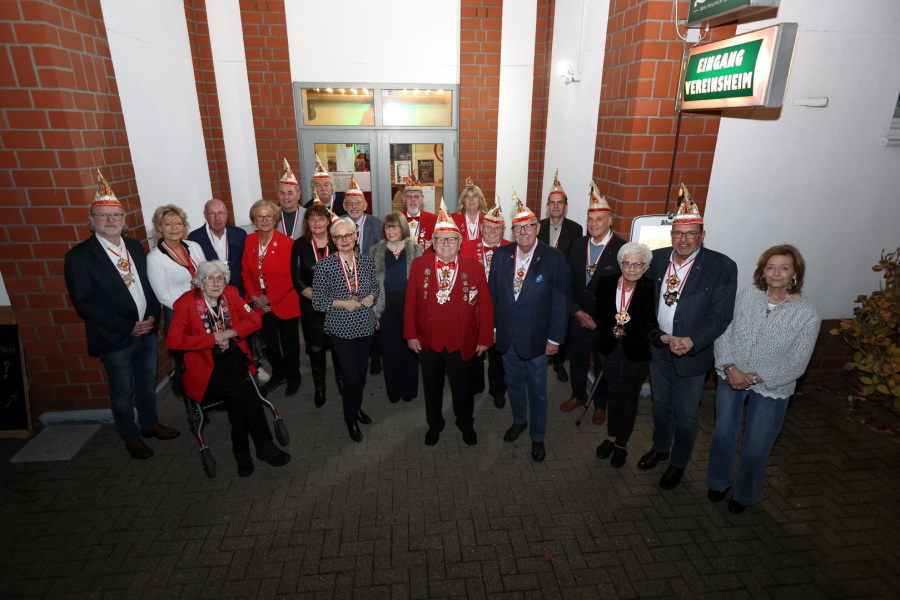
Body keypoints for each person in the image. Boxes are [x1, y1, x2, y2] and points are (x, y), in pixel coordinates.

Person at [63, 171, 179, 459]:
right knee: (122, 391)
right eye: (103, 215)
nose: (110, 219)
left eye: (116, 214)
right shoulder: (79, 256)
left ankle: (149, 424)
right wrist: (128, 327)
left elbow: (148, 286)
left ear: (124, 219)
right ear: (92, 221)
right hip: (114, 337)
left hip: (146, 331)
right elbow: (84, 303)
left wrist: (151, 317)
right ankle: (130, 436)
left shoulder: (134, 246)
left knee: (147, 381)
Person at [638, 184, 738, 490]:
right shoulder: (655, 259)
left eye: (691, 233)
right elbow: (644, 305)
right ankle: (660, 448)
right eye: (679, 233)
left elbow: (721, 315)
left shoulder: (721, 266)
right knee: (660, 405)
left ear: (702, 235)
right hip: (660, 349)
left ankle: (678, 463)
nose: (684, 239)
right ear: (671, 235)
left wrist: (691, 341)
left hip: (693, 353)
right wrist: (658, 336)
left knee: (686, 414)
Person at [707, 245, 819, 513]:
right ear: (763, 271)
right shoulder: (747, 295)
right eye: (771, 267)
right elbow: (724, 331)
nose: (776, 273)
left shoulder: (808, 313)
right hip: (731, 374)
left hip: (773, 385)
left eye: (784, 268)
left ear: (795, 273)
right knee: (723, 433)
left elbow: (798, 362)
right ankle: (719, 481)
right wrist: (730, 366)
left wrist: (756, 377)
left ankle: (745, 493)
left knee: (757, 445)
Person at [167, 260, 291, 477]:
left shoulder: (231, 294)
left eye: (221, 278)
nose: (216, 283)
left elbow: (254, 320)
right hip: (205, 367)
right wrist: (213, 339)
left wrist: (230, 333)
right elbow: (174, 341)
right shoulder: (185, 303)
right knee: (246, 392)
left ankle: (242, 453)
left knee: (238, 399)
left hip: (234, 359)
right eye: (210, 278)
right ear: (199, 282)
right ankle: (264, 446)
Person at [488, 191, 570, 462]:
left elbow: (561, 301)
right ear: (512, 231)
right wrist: (494, 329)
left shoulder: (553, 258)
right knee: (513, 384)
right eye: (517, 227)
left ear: (537, 228)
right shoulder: (501, 255)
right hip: (507, 337)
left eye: (528, 226)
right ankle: (519, 421)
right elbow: (493, 295)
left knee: (537, 391)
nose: (523, 232)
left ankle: (537, 436)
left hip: (538, 339)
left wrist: (555, 339)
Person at [405, 201, 494, 447]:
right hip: (429, 340)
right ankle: (434, 424)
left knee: (463, 388)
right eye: (441, 239)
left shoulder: (474, 267)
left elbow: (486, 306)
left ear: (460, 242)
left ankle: (465, 423)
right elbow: (410, 303)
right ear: (433, 243)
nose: (446, 244)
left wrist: (485, 338)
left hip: (462, 341)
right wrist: (410, 335)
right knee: (431, 388)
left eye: (451, 239)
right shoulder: (419, 265)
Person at [593, 243, 669, 468]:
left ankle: (621, 445)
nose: (632, 268)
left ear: (645, 267)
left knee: (629, 398)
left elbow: (651, 323)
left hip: (636, 352)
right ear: (621, 264)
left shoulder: (651, 288)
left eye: (638, 264)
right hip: (609, 349)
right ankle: (611, 438)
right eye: (627, 263)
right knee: (614, 394)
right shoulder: (606, 283)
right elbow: (600, 316)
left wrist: (664, 338)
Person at [560, 183, 625, 424]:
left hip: (604, 321)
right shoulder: (578, 245)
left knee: (601, 362)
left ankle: (600, 403)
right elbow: (567, 282)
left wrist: (601, 319)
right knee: (577, 358)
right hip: (579, 316)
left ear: (611, 221)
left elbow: (625, 290)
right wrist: (576, 311)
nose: (594, 223)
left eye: (599, 219)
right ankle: (578, 395)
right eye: (590, 219)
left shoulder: (622, 249)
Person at [312, 217, 379, 442]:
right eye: (339, 236)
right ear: (333, 240)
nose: (344, 239)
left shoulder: (366, 261)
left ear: (356, 236)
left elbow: (375, 287)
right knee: (350, 377)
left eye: (348, 235)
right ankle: (350, 419)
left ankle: (356, 408)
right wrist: (343, 303)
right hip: (341, 328)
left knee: (360, 374)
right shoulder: (325, 265)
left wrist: (371, 296)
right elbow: (318, 301)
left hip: (365, 325)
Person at [242, 199, 302, 396]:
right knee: (268, 343)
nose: (264, 220)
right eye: (260, 216)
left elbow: (291, 277)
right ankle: (279, 372)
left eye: (269, 216)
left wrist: (269, 298)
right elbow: (245, 271)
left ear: (275, 219)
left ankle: (293, 376)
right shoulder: (249, 240)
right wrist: (254, 296)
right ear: (254, 219)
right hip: (259, 300)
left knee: (289, 343)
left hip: (284, 300)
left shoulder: (287, 243)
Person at [460, 200, 510, 408]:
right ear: (481, 228)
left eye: (497, 228)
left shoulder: (511, 249)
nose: (492, 231)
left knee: (498, 353)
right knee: (473, 350)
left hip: (500, 312)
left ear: (503, 230)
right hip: (473, 310)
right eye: (488, 227)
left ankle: (497, 389)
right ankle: (475, 385)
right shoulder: (466, 247)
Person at [290, 202, 340, 407]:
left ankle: (342, 382)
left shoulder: (338, 241)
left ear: (328, 221)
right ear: (307, 223)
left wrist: (335, 300)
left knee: (338, 345)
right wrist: (320, 298)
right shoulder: (299, 245)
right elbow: (298, 280)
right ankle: (320, 387)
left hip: (338, 306)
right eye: (312, 219)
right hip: (312, 307)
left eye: (321, 218)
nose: (317, 222)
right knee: (316, 347)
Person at [370, 211, 423, 404]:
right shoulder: (375, 251)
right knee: (389, 351)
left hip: (410, 306)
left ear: (403, 229)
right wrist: (374, 313)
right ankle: (393, 391)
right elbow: (371, 284)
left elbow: (422, 283)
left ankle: (409, 390)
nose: (390, 231)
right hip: (385, 308)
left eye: (395, 227)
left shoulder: (416, 250)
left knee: (410, 348)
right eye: (387, 227)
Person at [537, 169, 583, 383]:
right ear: (547, 206)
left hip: (562, 284)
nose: (556, 206)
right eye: (552, 203)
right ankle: (539, 355)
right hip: (540, 282)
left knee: (561, 322)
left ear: (566, 206)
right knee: (539, 320)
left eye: (560, 203)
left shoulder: (575, 229)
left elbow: (574, 258)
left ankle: (559, 362)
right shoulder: (538, 226)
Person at [344, 174, 384, 376]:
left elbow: (381, 256)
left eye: (358, 202)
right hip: (346, 283)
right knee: (351, 320)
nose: (354, 206)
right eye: (350, 202)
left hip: (370, 282)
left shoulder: (376, 225)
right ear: (344, 206)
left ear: (365, 205)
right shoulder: (338, 224)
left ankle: (375, 357)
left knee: (373, 322)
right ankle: (356, 358)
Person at [146, 204, 208, 331]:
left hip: (204, 306)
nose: (174, 228)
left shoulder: (194, 246)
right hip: (178, 313)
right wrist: (190, 310)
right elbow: (163, 296)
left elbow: (207, 275)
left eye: (178, 223)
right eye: (168, 224)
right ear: (160, 228)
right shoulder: (155, 257)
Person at [188, 198, 248, 297]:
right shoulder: (194, 238)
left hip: (239, 292)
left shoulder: (240, 234)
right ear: (205, 215)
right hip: (211, 294)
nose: (217, 218)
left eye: (221, 213)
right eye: (212, 214)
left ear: (227, 214)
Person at [401, 172, 437, 253]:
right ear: (403, 199)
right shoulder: (396, 220)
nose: (413, 199)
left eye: (416, 196)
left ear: (422, 199)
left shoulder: (434, 220)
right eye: (409, 196)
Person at [275, 158, 306, 240]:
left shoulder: (308, 215)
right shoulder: (271, 216)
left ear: (298, 195)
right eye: (282, 193)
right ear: (277, 195)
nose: (286, 197)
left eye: (290, 193)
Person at [451, 177, 488, 243]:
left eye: (475, 196)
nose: (471, 199)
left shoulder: (487, 219)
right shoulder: (453, 219)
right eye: (467, 196)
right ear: (463, 201)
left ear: (480, 200)